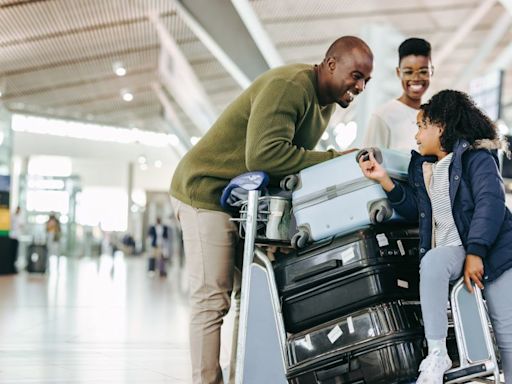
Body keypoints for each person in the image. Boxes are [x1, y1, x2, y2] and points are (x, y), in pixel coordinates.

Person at [170, 36, 374, 384]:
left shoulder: (324, 103)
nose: (359, 86)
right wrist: (334, 159)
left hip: (241, 201)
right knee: (213, 297)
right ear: (330, 64)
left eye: (365, 81)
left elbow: (283, 167)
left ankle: (241, 377)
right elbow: (265, 156)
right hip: (205, 190)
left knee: (248, 297)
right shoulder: (290, 86)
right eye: (355, 75)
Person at [358, 90, 512, 383]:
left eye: (421, 126)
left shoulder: (477, 158)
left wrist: (476, 252)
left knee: (507, 334)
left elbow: (490, 202)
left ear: (440, 126)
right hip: (454, 250)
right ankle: (437, 353)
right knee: (432, 262)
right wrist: (384, 180)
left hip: (496, 252)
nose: (416, 135)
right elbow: (417, 209)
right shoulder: (424, 168)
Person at [363, 37, 433, 151]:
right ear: (398, 72)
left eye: (423, 71)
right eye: (408, 72)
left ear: (432, 71)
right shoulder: (383, 117)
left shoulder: (435, 116)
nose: (416, 78)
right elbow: (368, 163)